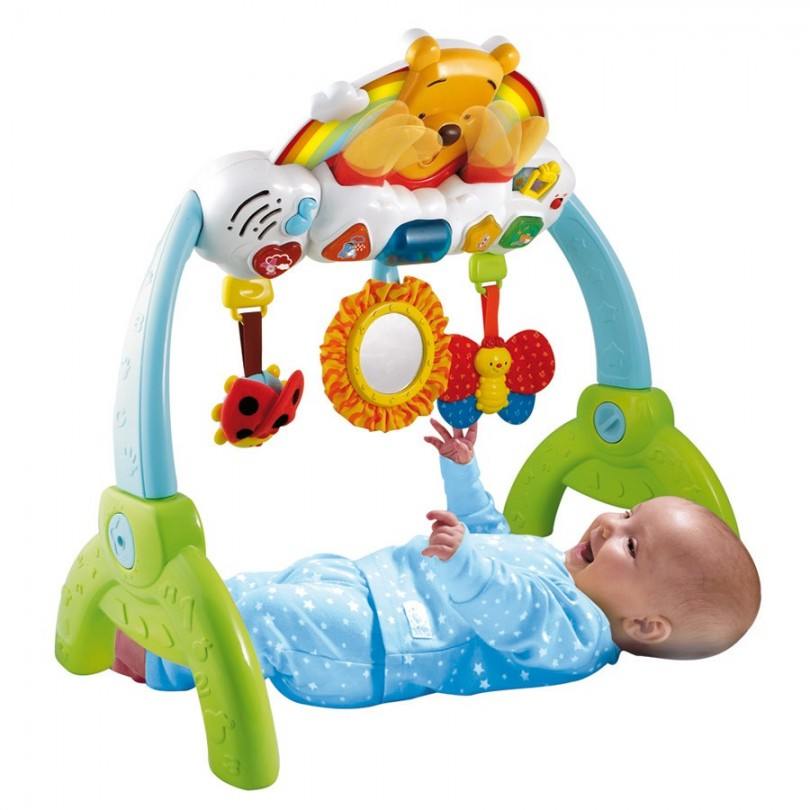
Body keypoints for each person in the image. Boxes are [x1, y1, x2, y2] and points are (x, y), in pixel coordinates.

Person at [112, 420, 760, 707]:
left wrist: (466, 565)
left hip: (379, 646)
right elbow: (491, 536)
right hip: (371, 582)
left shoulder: (578, 636)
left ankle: (157, 660)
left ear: (645, 625)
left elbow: (510, 609)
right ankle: (166, 611)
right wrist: (463, 475)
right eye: (627, 512)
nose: (609, 524)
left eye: (632, 545)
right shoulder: (560, 564)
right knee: (259, 587)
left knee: (265, 616)